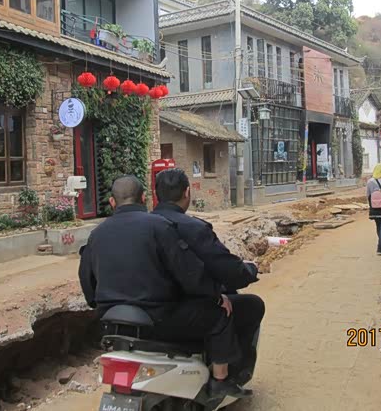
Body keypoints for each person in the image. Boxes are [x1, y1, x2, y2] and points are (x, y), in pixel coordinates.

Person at [78, 175, 250, 398]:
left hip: (113, 324)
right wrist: (216, 296)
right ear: (144, 198)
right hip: (159, 320)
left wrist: (101, 304)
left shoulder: (96, 234)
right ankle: (220, 381)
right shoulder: (159, 226)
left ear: (112, 202)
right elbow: (189, 272)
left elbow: (87, 283)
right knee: (220, 315)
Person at [153, 168, 265, 384]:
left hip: (143, 310)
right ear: (187, 192)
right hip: (179, 309)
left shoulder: (144, 225)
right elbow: (221, 267)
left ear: (155, 194)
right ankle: (227, 376)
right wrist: (249, 271)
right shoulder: (192, 228)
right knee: (251, 305)